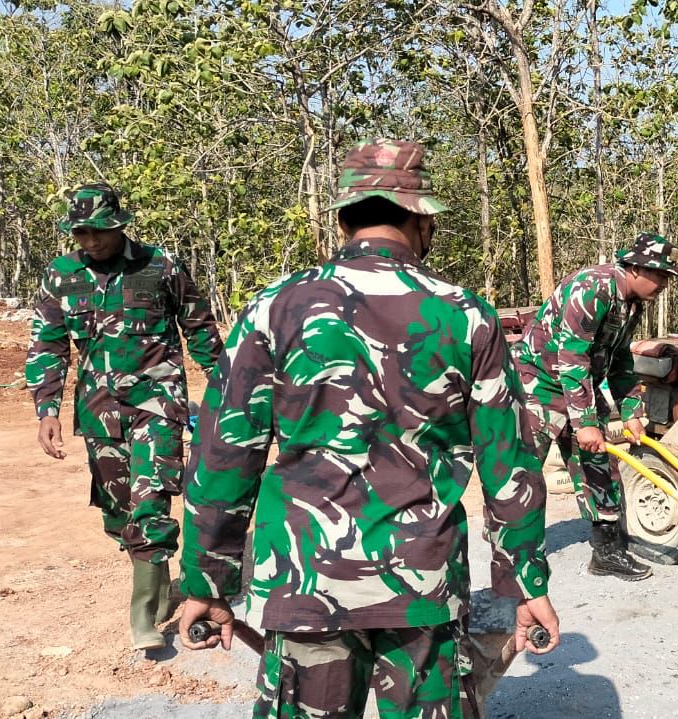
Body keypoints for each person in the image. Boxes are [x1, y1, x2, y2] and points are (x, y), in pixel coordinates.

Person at [177, 139, 558, 718]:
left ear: (341, 220)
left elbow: (225, 454)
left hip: (305, 582)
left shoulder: (275, 307)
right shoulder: (465, 314)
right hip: (421, 588)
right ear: (423, 219)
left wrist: (206, 580)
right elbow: (510, 465)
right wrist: (526, 582)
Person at [25, 183, 223, 650]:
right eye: (81, 233)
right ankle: (148, 566)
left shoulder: (160, 266)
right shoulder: (61, 275)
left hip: (158, 402)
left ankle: (146, 618)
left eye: (100, 232)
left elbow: (198, 326)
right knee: (120, 510)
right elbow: (48, 344)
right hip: (98, 409)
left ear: (120, 225)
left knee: (152, 498)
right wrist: (46, 409)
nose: (91, 242)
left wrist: (225, 387)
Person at [511, 232, 678, 581]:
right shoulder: (593, 288)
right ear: (634, 268)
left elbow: (619, 361)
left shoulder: (631, 304)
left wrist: (633, 411)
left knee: (599, 465)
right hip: (539, 384)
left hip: (577, 386)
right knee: (525, 470)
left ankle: (607, 552)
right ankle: (514, 553)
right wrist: (585, 422)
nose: (664, 283)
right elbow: (571, 357)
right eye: (659, 274)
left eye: (667, 276)